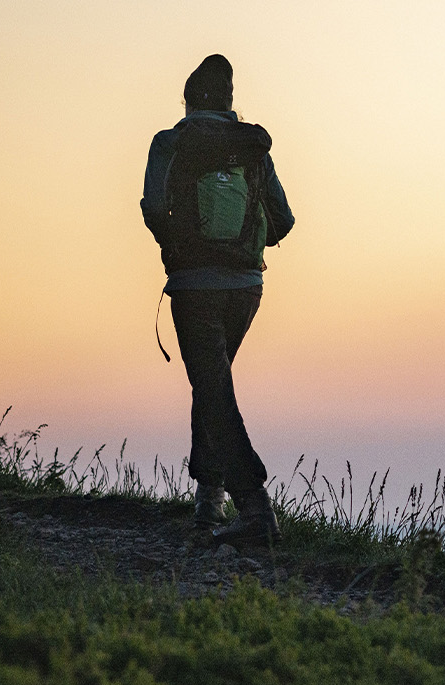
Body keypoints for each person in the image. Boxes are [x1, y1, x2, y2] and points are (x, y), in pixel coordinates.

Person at [140, 54, 294, 546]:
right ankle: (209, 502)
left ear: (187, 101)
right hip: (246, 288)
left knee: (212, 387)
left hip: (194, 285)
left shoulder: (171, 141)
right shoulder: (252, 148)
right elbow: (284, 221)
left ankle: (254, 508)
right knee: (212, 384)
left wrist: (178, 245)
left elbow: (150, 204)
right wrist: (240, 240)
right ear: (230, 104)